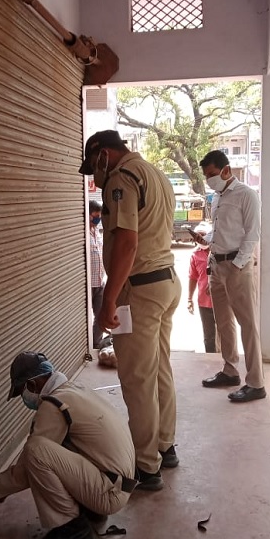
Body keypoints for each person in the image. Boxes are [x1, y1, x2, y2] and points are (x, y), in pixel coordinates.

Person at [0, 351, 137, 539]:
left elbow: (25, 471)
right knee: (57, 446)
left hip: (109, 493)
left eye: (22, 391)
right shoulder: (74, 389)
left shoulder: (53, 405)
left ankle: (71, 530)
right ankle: (91, 509)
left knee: (36, 451)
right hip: (119, 483)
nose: (24, 398)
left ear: (32, 384)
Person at [78, 129, 181, 490]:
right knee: (159, 369)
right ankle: (165, 446)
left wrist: (109, 299)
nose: (95, 177)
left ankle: (146, 465)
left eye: (94, 167)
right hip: (165, 282)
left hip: (138, 289)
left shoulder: (122, 177)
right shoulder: (155, 173)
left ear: (103, 154)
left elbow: (126, 243)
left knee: (137, 379)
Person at [198, 149, 265, 402]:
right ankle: (229, 371)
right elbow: (220, 231)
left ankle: (256, 383)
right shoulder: (217, 197)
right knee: (223, 322)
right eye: (206, 176)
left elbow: (252, 233)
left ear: (226, 170)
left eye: (212, 174)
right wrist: (205, 239)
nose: (209, 180)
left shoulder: (247, 194)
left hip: (237, 266)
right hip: (216, 265)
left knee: (248, 324)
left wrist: (237, 265)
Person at [185, 221, 218, 354]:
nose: (199, 239)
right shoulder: (195, 255)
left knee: (224, 333)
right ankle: (211, 359)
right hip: (204, 302)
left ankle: (225, 359)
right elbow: (193, 277)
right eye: (197, 236)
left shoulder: (219, 251)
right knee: (209, 337)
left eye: (203, 235)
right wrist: (189, 299)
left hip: (221, 299)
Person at [88, 200, 106, 349]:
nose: (98, 219)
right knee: (84, 318)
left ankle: (96, 343)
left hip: (100, 281)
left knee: (101, 315)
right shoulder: (82, 233)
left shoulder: (97, 231)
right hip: (87, 284)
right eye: (96, 215)